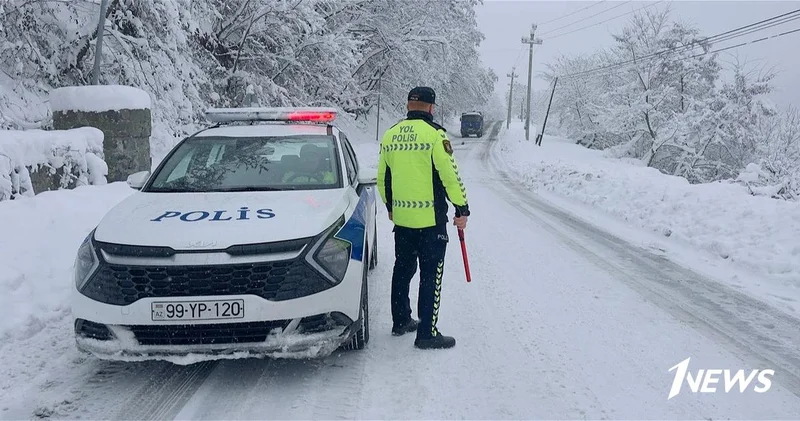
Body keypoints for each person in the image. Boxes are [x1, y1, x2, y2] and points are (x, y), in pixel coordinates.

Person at [376, 86, 470, 350]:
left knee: (402, 269)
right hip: (431, 223)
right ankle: (427, 334)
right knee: (430, 275)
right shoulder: (435, 135)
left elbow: (383, 179)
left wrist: (391, 207)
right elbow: (449, 175)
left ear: (408, 106)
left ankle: (401, 320)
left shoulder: (391, 134)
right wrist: (462, 208)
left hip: (403, 222)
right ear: (432, 108)